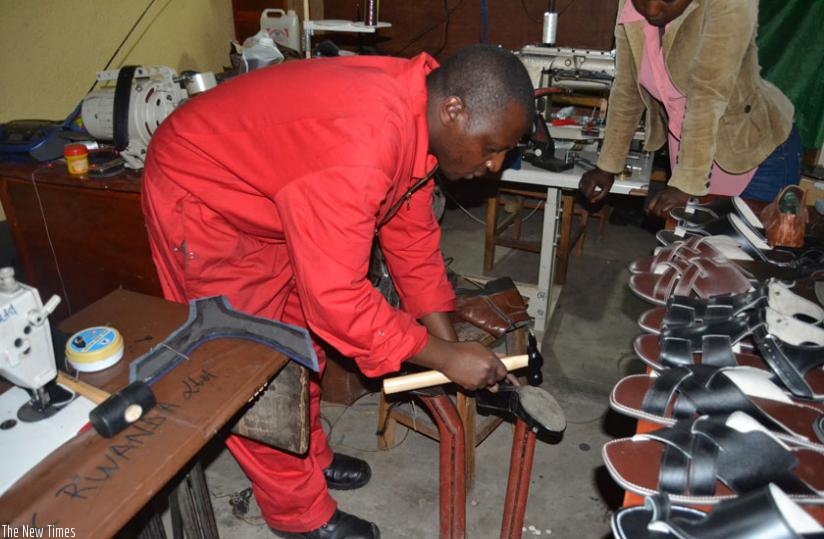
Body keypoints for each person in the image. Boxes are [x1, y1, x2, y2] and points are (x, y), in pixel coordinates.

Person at [141, 44, 534, 538]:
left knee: (300, 344)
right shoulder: (364, 144)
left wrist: (448, 346)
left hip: (275, 195)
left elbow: (409, 237)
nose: (495, 164)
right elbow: (339, 299)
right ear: (454, 110)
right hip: (204, 199)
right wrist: (441, 357)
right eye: (492, 146)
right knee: (256, 369)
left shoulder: (420, 117)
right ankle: (299, 516)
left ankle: (310, 455)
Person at [579, 0, 801, 219]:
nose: (652, 9)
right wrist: (608, 165)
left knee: (745, 251)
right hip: (692, 153)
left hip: (754, 151)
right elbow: (627, 87)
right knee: (695, 249)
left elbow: (707, 94)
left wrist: (687, 185)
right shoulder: (628, 4)